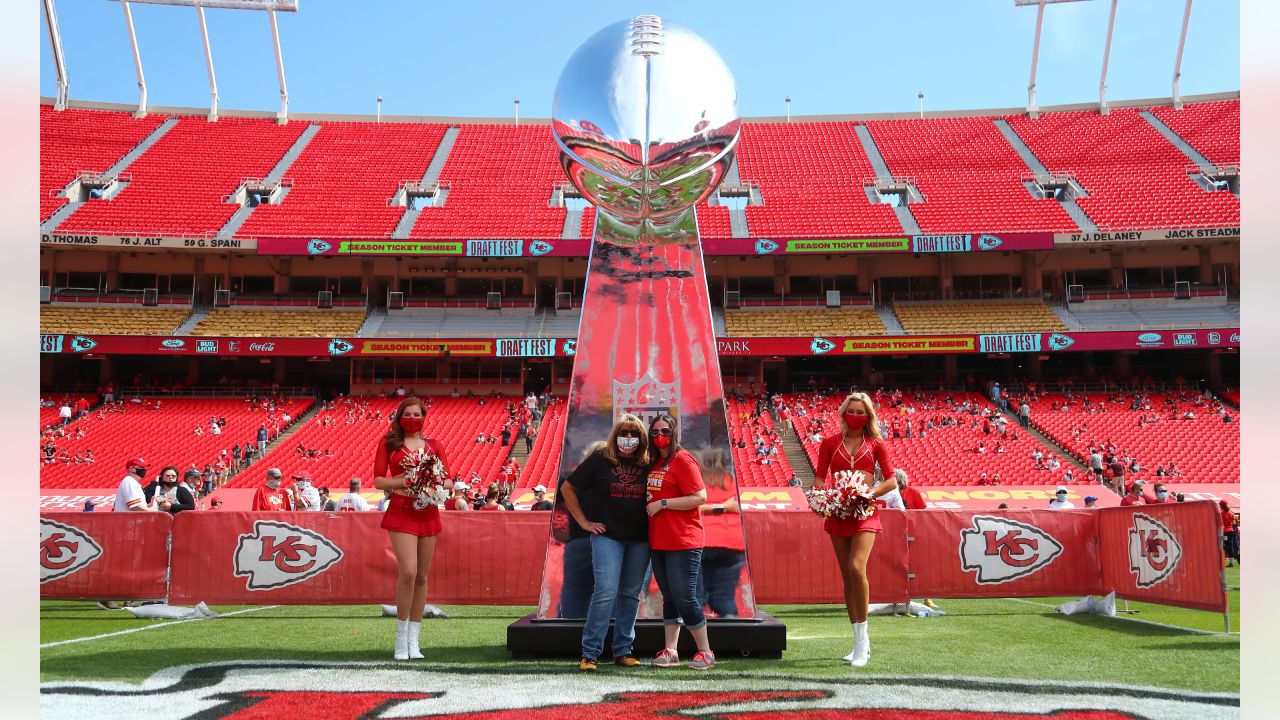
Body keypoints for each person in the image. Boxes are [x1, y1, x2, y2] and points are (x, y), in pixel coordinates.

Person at [558, 414, 651, 671]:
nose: (629, 438)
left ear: (642, 438)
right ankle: (590, 652)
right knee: (606, 591)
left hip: (641, 540)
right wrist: (585, 521)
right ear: (615, 434)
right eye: (624, 432)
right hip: (607, 537)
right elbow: (568, 488)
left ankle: (623, 650)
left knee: (631, 595)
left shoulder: (649, 462)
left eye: (634, 433)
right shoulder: (601, 459)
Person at [812, 392, 900, 667]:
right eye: (852, 411)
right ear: (843, 413)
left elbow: (891, 481)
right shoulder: (828, 443)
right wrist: (823, 496)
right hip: (839, 511)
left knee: (856, 568)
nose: (856, 416)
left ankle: (863, 641)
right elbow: (819, 476)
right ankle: (857, 641)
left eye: (862, 412)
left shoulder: (876, 445)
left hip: (865, 510)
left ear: (869, 415)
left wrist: (869, 494)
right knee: (847, 578)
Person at [372, 397, 448, 661]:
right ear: (399, 417)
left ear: (424, 418)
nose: (413, 418)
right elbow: (378, 480)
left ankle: (414, 641)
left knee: (422, 577)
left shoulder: (434, 445)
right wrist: (406, 481)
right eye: (408, 413)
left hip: (427, 511)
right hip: (401, 511)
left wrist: (431, 484)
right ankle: (400, 639)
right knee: (408, 571)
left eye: (418, 414)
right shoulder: (388, 444)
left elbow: (448, 480)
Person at [644, 414, 715, 670]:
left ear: (674, 432)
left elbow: (699, 496)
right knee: (670, 597)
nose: (659, 435)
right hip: (659, 541)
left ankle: (706, 652)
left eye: (664, 430)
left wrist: (663, 504)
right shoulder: (654, 462)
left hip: (684, 540)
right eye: (654, 431)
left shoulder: (682, 459)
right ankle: (671, 651)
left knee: (685, 596)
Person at [1220, 501, 1239, 567]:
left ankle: (1223, 562)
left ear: (1221, 505)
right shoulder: (1231, 512)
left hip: (1224, 532)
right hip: (1231, 531)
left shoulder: (1221, 513)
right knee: (1230, 546)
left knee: (1224, 546)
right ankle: (1231, 562)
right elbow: (1234, 521)